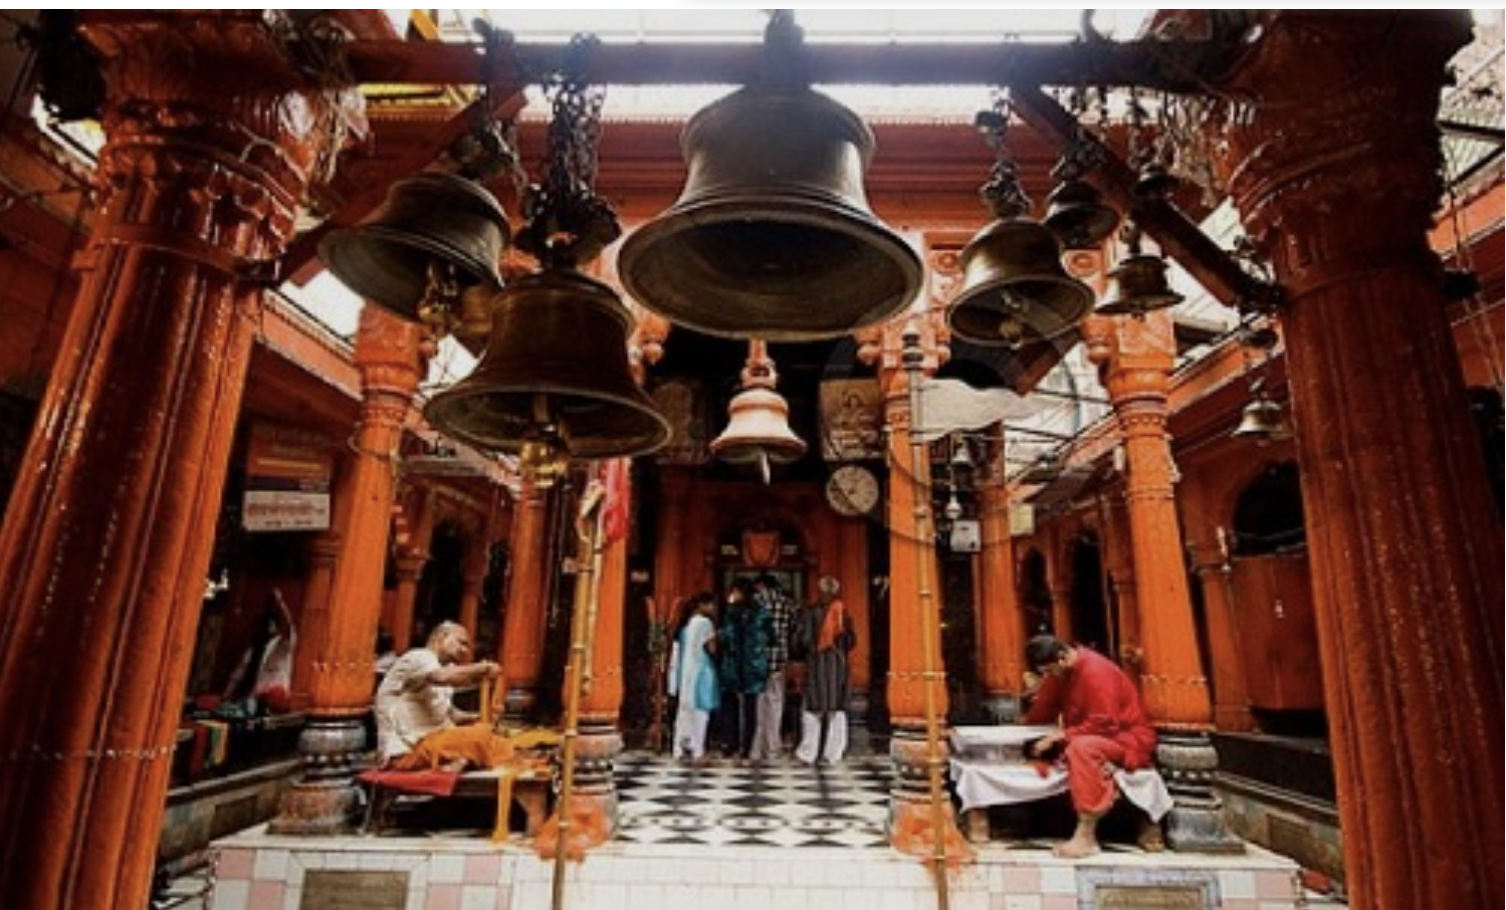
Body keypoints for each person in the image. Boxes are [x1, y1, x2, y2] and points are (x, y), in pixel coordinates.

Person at [1022, 633, 1157, 858]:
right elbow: (1042, 710)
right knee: (1067, 746)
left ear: (1062, 658)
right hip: (1094, 735)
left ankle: (1086, 835)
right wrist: (1029, 736)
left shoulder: (1096, 672)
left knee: (1081, 748)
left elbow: (1105, 723)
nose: (1048, 676)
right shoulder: (1060, 672)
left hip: (1123, 739)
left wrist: (1060, 736)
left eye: (1048, 671)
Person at [374, 620, 504, 772]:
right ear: (442, 637)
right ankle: (457, 761)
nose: (465, 651)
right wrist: (483, 667)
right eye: (461, 643)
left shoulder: (446, 667)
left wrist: (480, 716)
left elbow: (450, 714)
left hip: (434, 742)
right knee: (481, 738)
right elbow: (441, 677)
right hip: (407, 750)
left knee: (496, 740)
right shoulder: (418, 657)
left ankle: (459, 760)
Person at [793, 576, 856, 766]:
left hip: (817, 665)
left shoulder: (810, 612)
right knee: (837, 710)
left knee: (813, 710)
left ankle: (808, 753)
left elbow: (802, 640)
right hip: (838, 666)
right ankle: (833, 754)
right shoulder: (843, 613)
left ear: (820, 591)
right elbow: (852, 641)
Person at [716, 577, 771, 764]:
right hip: (753, 666)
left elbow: (726, 636)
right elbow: (771, 638)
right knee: (749, 709)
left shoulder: (731, 613)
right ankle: (745, 751)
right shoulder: (762, 612)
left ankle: (731, 746)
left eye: (734, 591)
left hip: (734, 665)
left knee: (731, 707)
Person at [222, 588, 296, 715]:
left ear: (276, 627)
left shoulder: (281, 646)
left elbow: (289, 627)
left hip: (274, 707)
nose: (263, 629)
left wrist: (280, 603)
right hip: (251, 705)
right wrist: (225, 698)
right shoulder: (251, 652)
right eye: (259, 627)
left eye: (269, 625)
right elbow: (236, 678)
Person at [667, 591, 719, 765]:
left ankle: (679, 746)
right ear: (701, 606)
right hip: (702, 671)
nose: (713, 608)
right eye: (710, 604)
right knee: (701, 712)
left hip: (684, 672)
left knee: (684, 711)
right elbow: (712, 649)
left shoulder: (684, 625)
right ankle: (698, 749)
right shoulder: (706, 623)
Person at [749, 573, 794, 762]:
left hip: (758, 661)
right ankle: (773, 750)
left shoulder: (756, 603)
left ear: (761, 586)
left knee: (760, 708)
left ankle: (757, 750)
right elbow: (793, 627)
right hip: (778, 660)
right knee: (775, 707)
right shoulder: (786, 603)